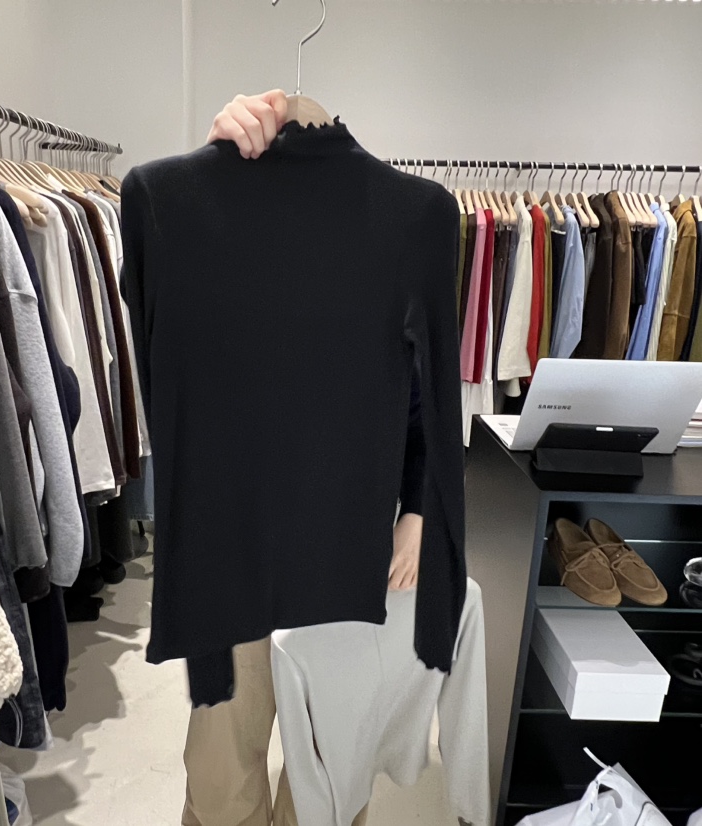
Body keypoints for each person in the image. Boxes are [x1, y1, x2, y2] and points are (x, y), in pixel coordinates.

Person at [180, 90, 426, 826]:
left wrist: (418, 508)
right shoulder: (216, 234)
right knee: (223, 754)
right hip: (234, 540)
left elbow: (423, 395)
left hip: (346, 543)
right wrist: (208, 177)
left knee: (331, 748)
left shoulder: (392, 240)